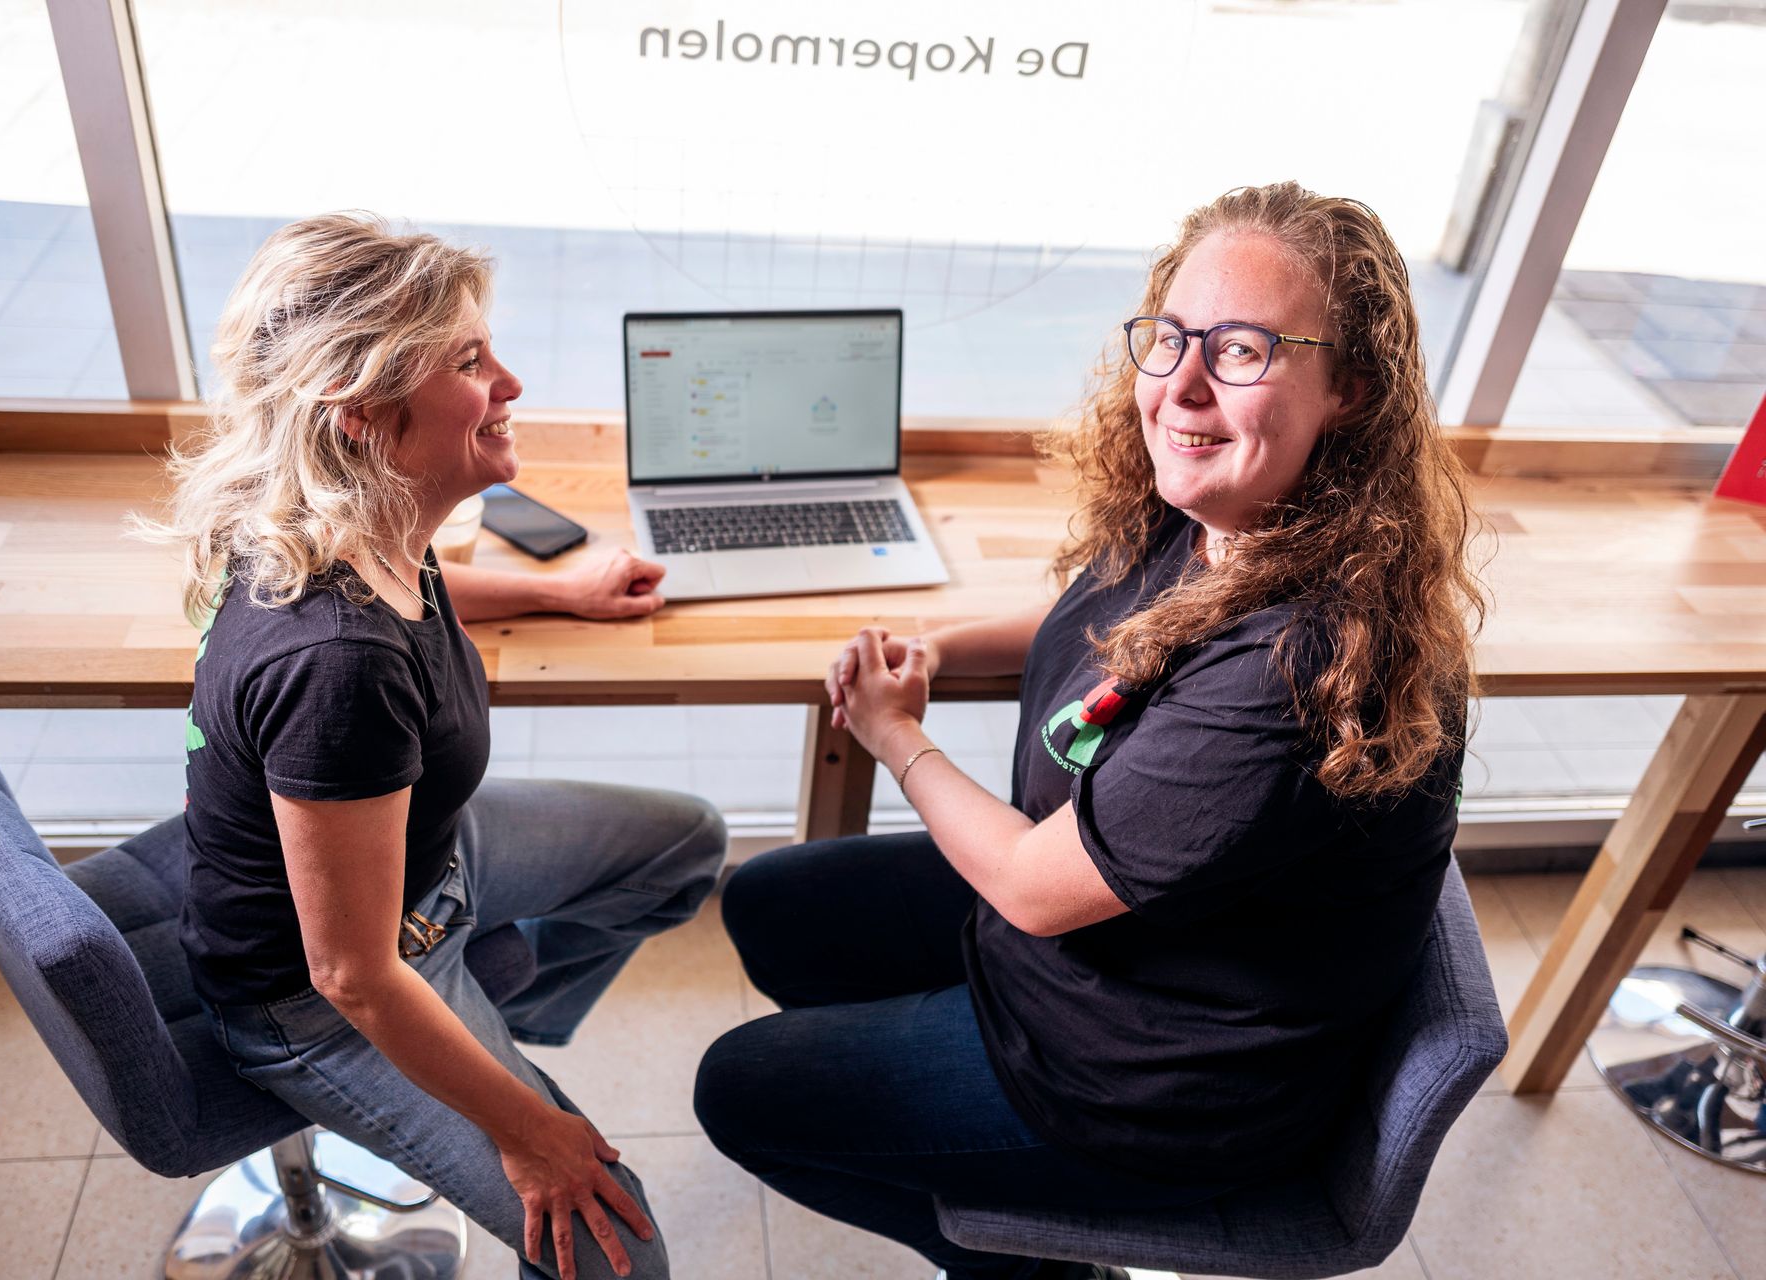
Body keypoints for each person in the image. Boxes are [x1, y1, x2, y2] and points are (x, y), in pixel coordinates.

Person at [693, 182, 1485, 1280]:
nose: (1183, 387)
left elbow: (1025, 882)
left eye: (1245, 350)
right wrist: (943, 642)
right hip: (1101, 953)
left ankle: (1034, 1262)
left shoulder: (1293, 670)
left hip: (1146, 1081)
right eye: (1172, 339)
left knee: (737, 1088)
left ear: (1350, 386)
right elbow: (1110, 614)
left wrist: (896, 735)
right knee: (772, 907)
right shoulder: (1226, 512)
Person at [139, 213, 727, 1280]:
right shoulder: (339, 668)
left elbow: (425, 579)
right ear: (362, 413)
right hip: (317, 994)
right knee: (613, 1246)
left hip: (432, 863)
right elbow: (351, 972)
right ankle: (472, 1057)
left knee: (684, 844)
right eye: (469, 360)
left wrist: (558, 590)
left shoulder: (356, 519)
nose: (510, 379)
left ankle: (498, 1018)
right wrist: (527, 1131)